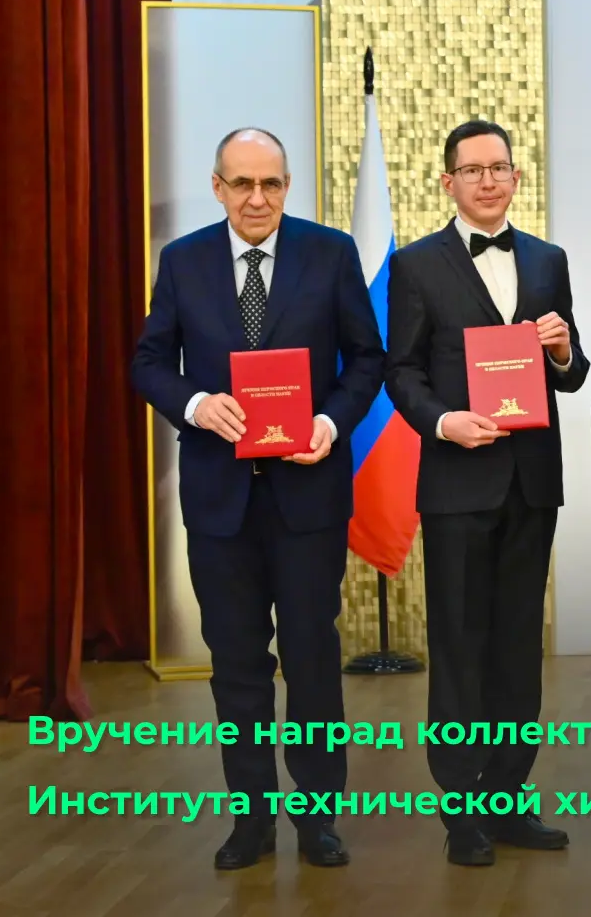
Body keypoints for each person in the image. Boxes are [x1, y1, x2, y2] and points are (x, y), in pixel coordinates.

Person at [130, 128, 385, 870]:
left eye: (270, 183)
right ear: (217, 187)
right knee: (237, 665)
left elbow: (366, 358)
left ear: (287, 185)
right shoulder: (183, 261)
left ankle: (318, 818)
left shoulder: (331, 252)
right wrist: (196, 403)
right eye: (241, 183)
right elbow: (149, 362)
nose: (256, 198)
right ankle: (251, 820)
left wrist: (330, 423)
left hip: (308, 496)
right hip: (220, 502)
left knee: (311, 660)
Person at [383, 119, 589, 867]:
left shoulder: (547, 259)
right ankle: (461, 808)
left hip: (531, 483)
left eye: (499, 167)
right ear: (449, 182)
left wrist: (562, 351)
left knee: (517, 648)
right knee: (460, 644)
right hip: (457, 483)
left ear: (516, 176)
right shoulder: (416, 265)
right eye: (472, 170)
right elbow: (401, 370)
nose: (488, 180)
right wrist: (443, 422)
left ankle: (508, 796)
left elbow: (573, 371)